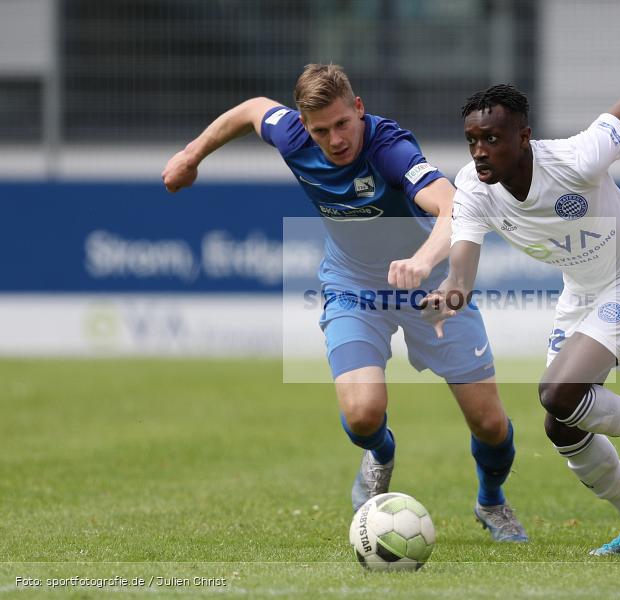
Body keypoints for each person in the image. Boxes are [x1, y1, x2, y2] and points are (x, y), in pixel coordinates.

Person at [161, 64, 528, 542]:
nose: (335, 139)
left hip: (429, 285)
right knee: (362, 414)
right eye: (320, 130)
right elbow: (252, 110)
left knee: (490, 423)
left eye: (341, 124)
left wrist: (421, 260)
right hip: (353, 285)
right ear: (302, 125)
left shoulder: (389, 148)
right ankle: (379, 451)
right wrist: (192, 156)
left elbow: (452, 206)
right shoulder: (291, 136)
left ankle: (492, 501)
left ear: (358, 109)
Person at [422, 82, 620, 554]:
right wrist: (448, 297)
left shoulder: (577, 158)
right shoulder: (473, 188)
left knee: (557, 392)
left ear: (524, 137)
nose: (480, 152)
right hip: (582, 292)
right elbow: (462, 274)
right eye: (472, 140)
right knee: (562, 423)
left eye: (491, 139)